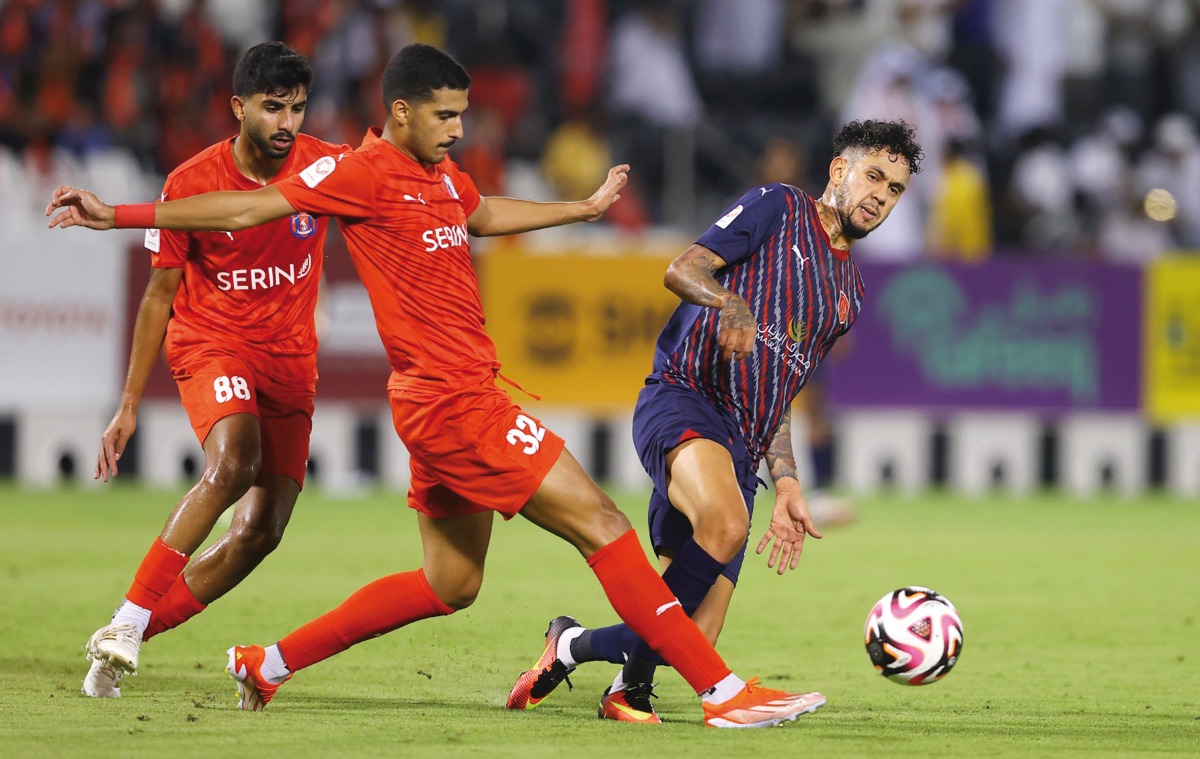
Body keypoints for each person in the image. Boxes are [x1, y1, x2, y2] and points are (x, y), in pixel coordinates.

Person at [47, 43, 824, 729]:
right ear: (401, 111)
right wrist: (117, 212)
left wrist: (579, 210)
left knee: (452, 582)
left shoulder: (441, 174)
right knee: (601, 521)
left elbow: (482, 214)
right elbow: (251, 202)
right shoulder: (358, 173)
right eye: (446, 116)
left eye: (463, 115)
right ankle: (720, 689)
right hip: (455, 405)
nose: (460, 130)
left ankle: (269, 661)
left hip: (442, 403)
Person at [505, 120, 923, 723]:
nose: (881, 195)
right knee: (725, 525)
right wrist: (731, 302)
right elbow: (680, 269)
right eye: (874, 176)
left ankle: (587, 660)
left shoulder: (849, 295)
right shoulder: (777, 206)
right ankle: (714, 700)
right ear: (839, 171)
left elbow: (782, 392)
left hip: (745, 447)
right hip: (686, 398)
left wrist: (786, 482)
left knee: (693, 640)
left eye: (896, 188)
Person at [77, 42, 349, 699]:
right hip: (212, 344)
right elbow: (158, 296)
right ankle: (128, 617)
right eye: (272, 107)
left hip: (291, 364)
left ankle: (124, 637)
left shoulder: (325, 167)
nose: (286, 122)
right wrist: (129, 403)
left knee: (262, 532)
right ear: (238, 108)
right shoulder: (189, 181)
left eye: (298, 108)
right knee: (233, 463)